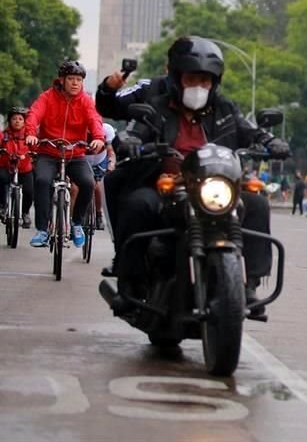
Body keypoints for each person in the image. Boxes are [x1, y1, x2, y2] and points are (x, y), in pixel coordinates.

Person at [95, 37, 288, 315]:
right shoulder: (157, 107)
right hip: (169, 187)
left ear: (214, 82)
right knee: (138, 204)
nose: (199, 86)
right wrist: (131, 141)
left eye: (205, 81)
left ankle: (249, 285)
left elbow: (250, 130)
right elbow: (133, 130)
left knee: (257, 204)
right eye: (192, 79)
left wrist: (271, 142)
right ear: (176, 77)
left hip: (216, 184)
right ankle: (131, 282)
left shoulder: (225, 109)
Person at [26, 61, 105, 248]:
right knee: (42, 181)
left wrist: (98, 137)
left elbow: (94, 119)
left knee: (88, 183)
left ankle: (77, 223)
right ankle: (42, 230)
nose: (75, 83)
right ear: (61, 80)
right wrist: (30, 133)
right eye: (71, 79)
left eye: (79, 79)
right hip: (49, 152)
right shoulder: (47, 97)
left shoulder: (85, 101)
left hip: (75, 153)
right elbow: (34, 114)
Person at [0, 107, 35, 229]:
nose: (17, 121)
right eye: (14, 118)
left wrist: (34, 154)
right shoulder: (3, 135)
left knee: (29, 191)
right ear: (9, 121)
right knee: (2, 179)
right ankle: (3, 206)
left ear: (24, 122)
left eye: (20, 119)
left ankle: (25, 213)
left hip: (24, 168)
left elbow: (36, 149)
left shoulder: (29, 136)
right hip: (6, 167)